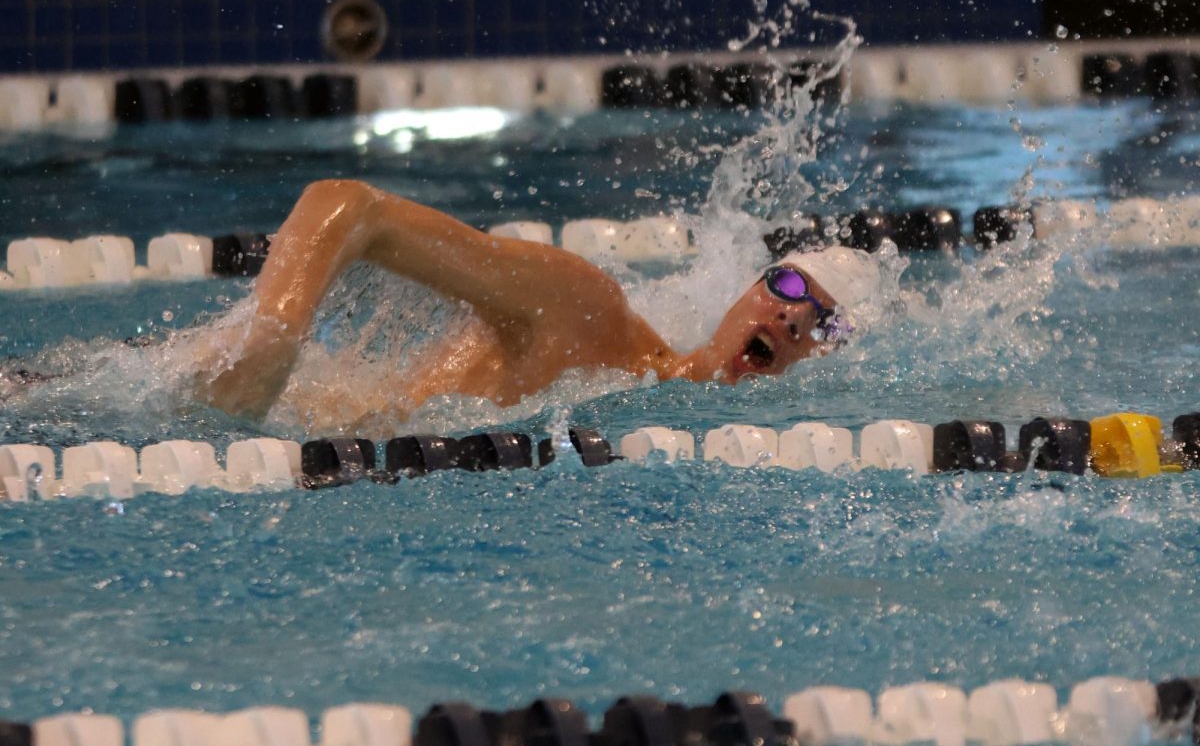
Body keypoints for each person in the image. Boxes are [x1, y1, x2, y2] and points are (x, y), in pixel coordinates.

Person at [197, 180, 878, 421]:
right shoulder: (583, 310)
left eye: (826, 322)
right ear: (746, 292)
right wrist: (272, 340)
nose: (793, 315)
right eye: (787, 287)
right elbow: (347, 206)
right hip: (216, 404)